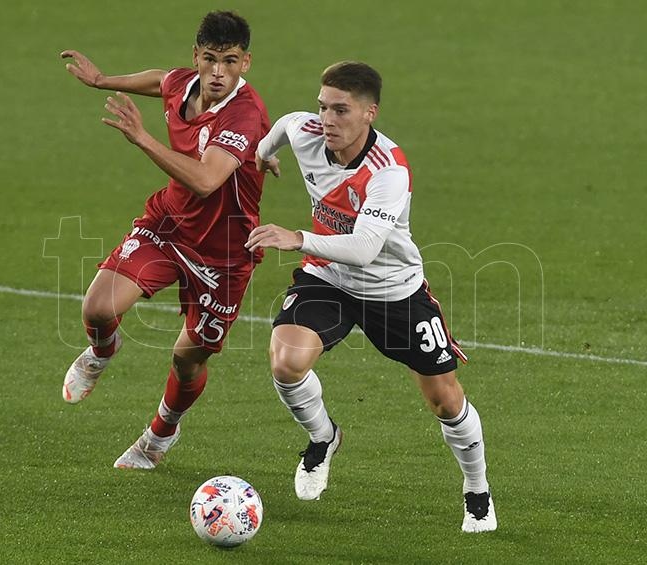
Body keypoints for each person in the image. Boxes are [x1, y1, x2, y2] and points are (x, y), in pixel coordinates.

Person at [246, 61, 497, 532]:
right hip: (328, 278)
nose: (327, 120)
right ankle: (323, 439)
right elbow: (283, 125)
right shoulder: (305, 131)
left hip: (394, 290)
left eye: (341, 110)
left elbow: (364, 249)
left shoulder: (388, 171)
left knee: (444, 399)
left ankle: (477, 492)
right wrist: (262, 154)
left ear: (369, 113)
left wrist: (296, 237)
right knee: (286, 361)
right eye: (323, 107)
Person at [59, 11, 270, 471]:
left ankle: (160, 434)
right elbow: (163, 80)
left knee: (186, 362)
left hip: (224, 253)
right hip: (169, 224)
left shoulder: (244, 113)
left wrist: (142, 137)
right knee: (97, 308)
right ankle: (102, 351)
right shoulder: (186, 83)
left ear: (246, 63)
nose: (218, 73)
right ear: (196, 56)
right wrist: (102, 80)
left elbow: (207, 180)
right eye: (210, 59)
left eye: (230, 61)